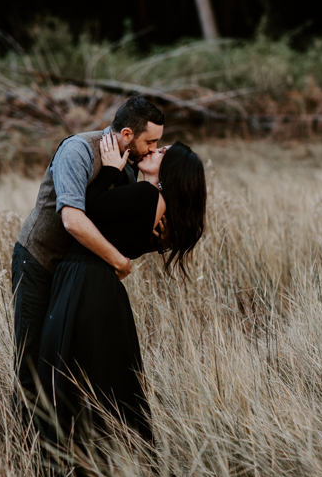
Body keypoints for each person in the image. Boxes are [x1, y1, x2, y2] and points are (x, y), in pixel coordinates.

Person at [36, 136, 207, 452]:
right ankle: (114, 458)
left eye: (164, 151)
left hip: (86, 281)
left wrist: (111, 172)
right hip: (99, 285)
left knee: (68, 372)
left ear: (174, 169)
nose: (155, 149)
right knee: (102, 378)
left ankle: (68, 459)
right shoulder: (161, 210)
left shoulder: (146, 195)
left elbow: (84, 211)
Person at [12, 97, 165, 424]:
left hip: (74, 275)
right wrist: (120, 263)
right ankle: (25, 453)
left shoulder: (128, 168)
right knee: (31, 361)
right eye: (149, 141)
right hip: (39, 261)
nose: (153, 149)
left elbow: (113, 221)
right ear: (127, 134)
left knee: (60, 362)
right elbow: (73, 221)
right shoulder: (78, 150)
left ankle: (68, 445)